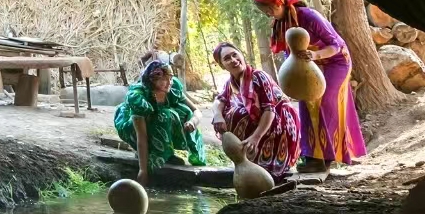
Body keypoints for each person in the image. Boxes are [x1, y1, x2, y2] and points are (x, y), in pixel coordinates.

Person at [253, 0, 366, 172]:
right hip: (310, 66)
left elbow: (335, 45)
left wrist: (315, 55)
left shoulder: (309, 16)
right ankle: (312, 157)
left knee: (324, 102)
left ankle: (326, 159)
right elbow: (290, 52)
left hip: (335, 62)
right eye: (264, 10)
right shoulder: (282, 22)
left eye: (269, 8)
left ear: (279, 3)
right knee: (305, 104)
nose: (268, 14)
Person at [209, 42, 301, 181]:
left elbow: (270, 110)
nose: (233, 60)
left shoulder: (258, 76)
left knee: (238, 113)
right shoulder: (231, 83)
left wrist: (255, 138)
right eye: (227, 58)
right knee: (227, 114)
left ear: (241, 55)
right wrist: (217, 116)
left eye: (235, 54)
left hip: (280, 122)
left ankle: (266, 161)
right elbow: (219, 101)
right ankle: (247, 160)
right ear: (222, 65)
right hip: (263, 124)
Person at [114, 58, 207, 186]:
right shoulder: (138, 97)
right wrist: (143, 170)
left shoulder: (173, 88)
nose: (169, 82)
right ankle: (153, 155)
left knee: (182, 112)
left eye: (170, 78)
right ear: (152, 80)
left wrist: (192, 122)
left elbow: (196, 111)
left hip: (158, 119)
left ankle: (167, 153)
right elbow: (141, 135)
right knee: (164, 116)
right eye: (164, 79)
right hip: (131, 126)